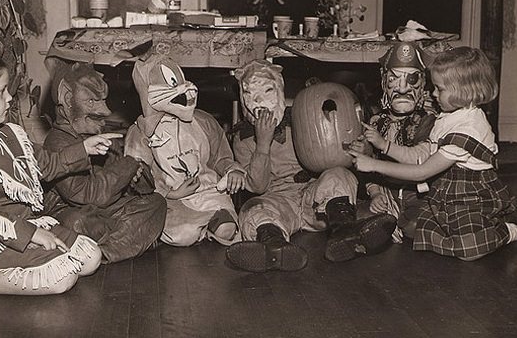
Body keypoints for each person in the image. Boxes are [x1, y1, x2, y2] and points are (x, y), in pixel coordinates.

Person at [0, 50, 120, 295]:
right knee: (62, 279)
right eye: (2, 91)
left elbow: (47, 164)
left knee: (91, 257)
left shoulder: (9, 133)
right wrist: (32, 235)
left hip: (25, 225)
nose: (9, 98)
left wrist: (84, 148)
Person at [225, 59, 397, 272]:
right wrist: (262, 144)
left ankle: (344, 231)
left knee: (338, 174)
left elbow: (336, 151)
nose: (258, 101)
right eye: (249, 94)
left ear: (279, 90)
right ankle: (273, 244)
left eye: (267, 90)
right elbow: (258, 187)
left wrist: (361, 150)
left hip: (315, 201)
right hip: (278, 201)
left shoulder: (302, 115)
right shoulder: (243, 138)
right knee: (253, 210)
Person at [351, 47, 517, 261]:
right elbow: (419, 155)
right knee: (416, 232)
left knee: (467, 251)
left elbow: (421, 172)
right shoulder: (449, 116)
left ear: (462, 91)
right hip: (447, 192)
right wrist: (385, 145)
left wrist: (374, 165)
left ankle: (507, 231)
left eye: (439, 89)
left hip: (472, 196)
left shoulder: (468, 129)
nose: (433, 94)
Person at [43, 62, 167, 264]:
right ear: (67, 101)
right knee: (76, 222)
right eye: (92, 103)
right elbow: (85, 195)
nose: (105, 114)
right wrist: (125, 168)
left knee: (156, 203)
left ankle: (103, 251)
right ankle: (124, 244)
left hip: (104, 210)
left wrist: (136, 173)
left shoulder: (97, 133)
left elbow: (142, 188)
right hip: (72, 211)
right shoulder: (57, 142)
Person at [124, 54, 246, 247]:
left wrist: (233, 170)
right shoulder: (139, 134)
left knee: (227, 228)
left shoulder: (203, 121)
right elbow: (138, 179)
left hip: (209, 192)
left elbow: (221, 156)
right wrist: (170, 193)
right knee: (184, 234)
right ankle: (198, 229)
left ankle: (214, 225)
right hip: (171, 200)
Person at [350, 41, 436, 242]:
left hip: (417, 194)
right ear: (383, 84)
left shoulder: (428, 121)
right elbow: (366, 167)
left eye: (411, 79)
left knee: (415, 226)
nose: (403, 88)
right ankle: (387, 223)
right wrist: (375, 193)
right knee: (359, 218)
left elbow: (419, 161)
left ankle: (396, 225)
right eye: (394, 80)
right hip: (385, 190)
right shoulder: (376, 122)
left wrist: (384, 144)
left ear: (423, 84)